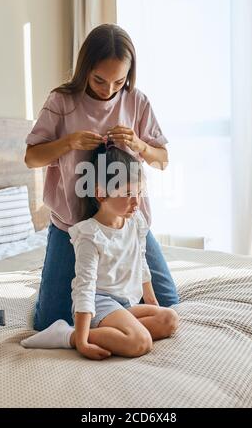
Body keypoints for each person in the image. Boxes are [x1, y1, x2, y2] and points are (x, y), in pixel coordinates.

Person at [25, 23, 179, 332]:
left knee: (168, 302)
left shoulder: (137, 101)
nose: (108, 90)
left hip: (126, 223)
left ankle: (112, 309)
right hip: (73, 227)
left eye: (118, 81)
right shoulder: (61, 102)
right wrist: (67, 142)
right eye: (99, 79)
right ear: (85, 69)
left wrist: (138, 144)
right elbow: (32, 157)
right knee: (50, 322)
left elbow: (162, 160)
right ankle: (100, 304)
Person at [21, 143, 179, 360]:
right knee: (140, 342)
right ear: (101, 193)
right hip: (100, 303)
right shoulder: (90, 235)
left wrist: (151, 301)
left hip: (124, 303)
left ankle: (119, 331)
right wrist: (83, 341)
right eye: (127, 193)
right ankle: (68, 336)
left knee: (169, 318)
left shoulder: (135, 221)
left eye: (139, 192)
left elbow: (140, 262)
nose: (136, 201)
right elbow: (84, 288)